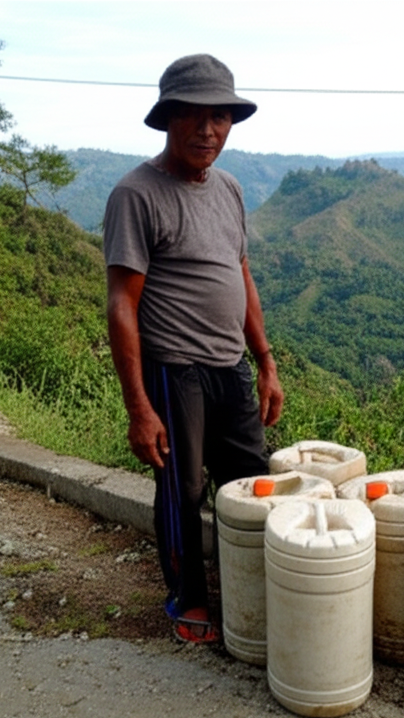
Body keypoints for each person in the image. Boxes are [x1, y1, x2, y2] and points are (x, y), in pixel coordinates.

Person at [102, 54, 284, 644]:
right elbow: (122, 305)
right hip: (174, 371)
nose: (209, 130)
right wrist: (138, 408)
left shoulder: (229, 188)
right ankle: (188, 596)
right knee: (183, 488)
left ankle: (249, 589)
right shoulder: (137, 195)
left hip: (230, 366)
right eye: (195, 116)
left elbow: (241, 275)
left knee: (248, 482)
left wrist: (265, 361)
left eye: (221, 117)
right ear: (168, 119)